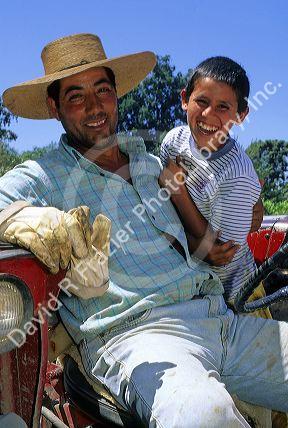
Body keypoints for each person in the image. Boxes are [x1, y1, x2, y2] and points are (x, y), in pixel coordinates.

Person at [0, 33, 287, 427]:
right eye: (75, 97)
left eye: (102, 90)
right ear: (54, 107)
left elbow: (212, 217)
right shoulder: (44, 176)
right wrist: (25, 218)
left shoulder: (151, 160)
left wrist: (250, 204)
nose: (94, 106)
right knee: (206, 416)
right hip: (137, 337)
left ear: (116, 93)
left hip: (219, 318)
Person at [159, 56, 270, 314]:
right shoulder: (173, 141)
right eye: (202, 101)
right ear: (185, 99)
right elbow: (162, 209)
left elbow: (219, 254)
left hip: (239, 297)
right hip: (193, 291)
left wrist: (180, 194)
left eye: (223, 107)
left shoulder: (238, 174)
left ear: (241, 115)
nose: (209, 114)